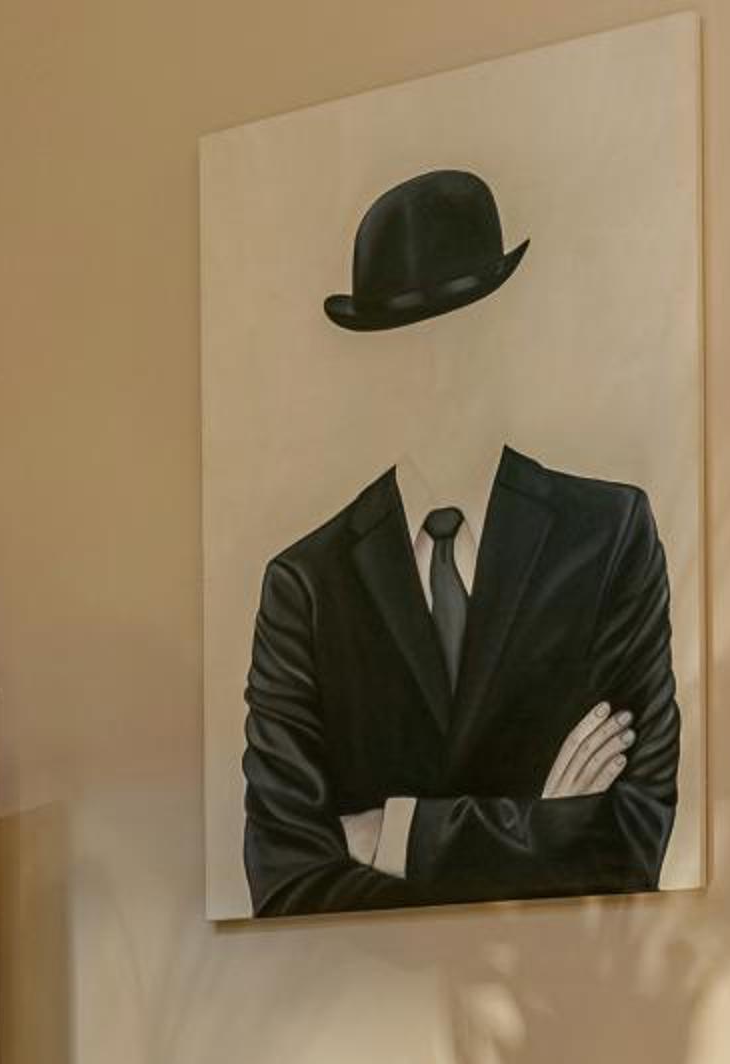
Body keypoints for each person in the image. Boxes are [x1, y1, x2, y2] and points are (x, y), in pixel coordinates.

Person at [242, 168, 679, 918]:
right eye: (408, 343)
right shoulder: (305, 586)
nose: (438, 373)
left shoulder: (608, 536)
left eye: (462, 334)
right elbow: (288, 883)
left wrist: (392, 833)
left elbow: (629, 839)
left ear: (503, 338)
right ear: (372, 366)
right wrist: (542, 827)